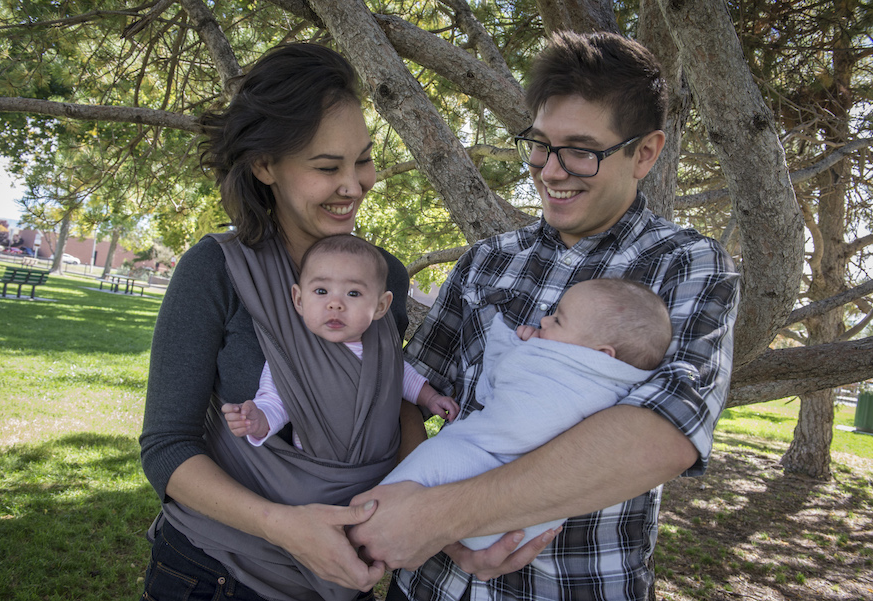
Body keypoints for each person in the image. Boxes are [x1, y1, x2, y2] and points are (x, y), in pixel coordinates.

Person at [347, 30, 741, 601]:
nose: (551, 171)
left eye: (581, 150)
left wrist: (441, 514)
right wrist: (425, 512)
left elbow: (666, 434)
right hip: (429, 583)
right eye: (540, 143)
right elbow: (412, 393)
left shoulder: (686, 264)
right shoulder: (489, 260)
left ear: (646, 152)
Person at [139, 43, 427, 601]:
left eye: (362, 159)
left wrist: (413, 501)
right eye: (327, 166)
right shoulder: (215, 270)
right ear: (265, 164)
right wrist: (284, 526)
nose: (356, 184)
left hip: (344, 576)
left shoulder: (380, 274)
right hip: (216, 574)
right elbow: (166, 447)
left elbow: (394, 402)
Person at [381, 278, 672, 551]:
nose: (544, 320)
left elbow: (494, 387)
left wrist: (516, 347)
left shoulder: (588, 380)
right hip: (514, 521)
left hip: (493, 464)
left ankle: (373, 513)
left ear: (599, 355)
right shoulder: (613, 382)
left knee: (434, 456)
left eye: (557, 320)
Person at [222, 234, 459, 446]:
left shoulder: (381, 351)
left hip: (379, 463)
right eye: (321, 291)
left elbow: (404, 378)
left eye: (353, 293)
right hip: (322, 467)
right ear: (299, 300)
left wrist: (432, 398)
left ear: (380, 306)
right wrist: (258, 419)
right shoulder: (290, 354)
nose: (335, 303)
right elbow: (275, 403)